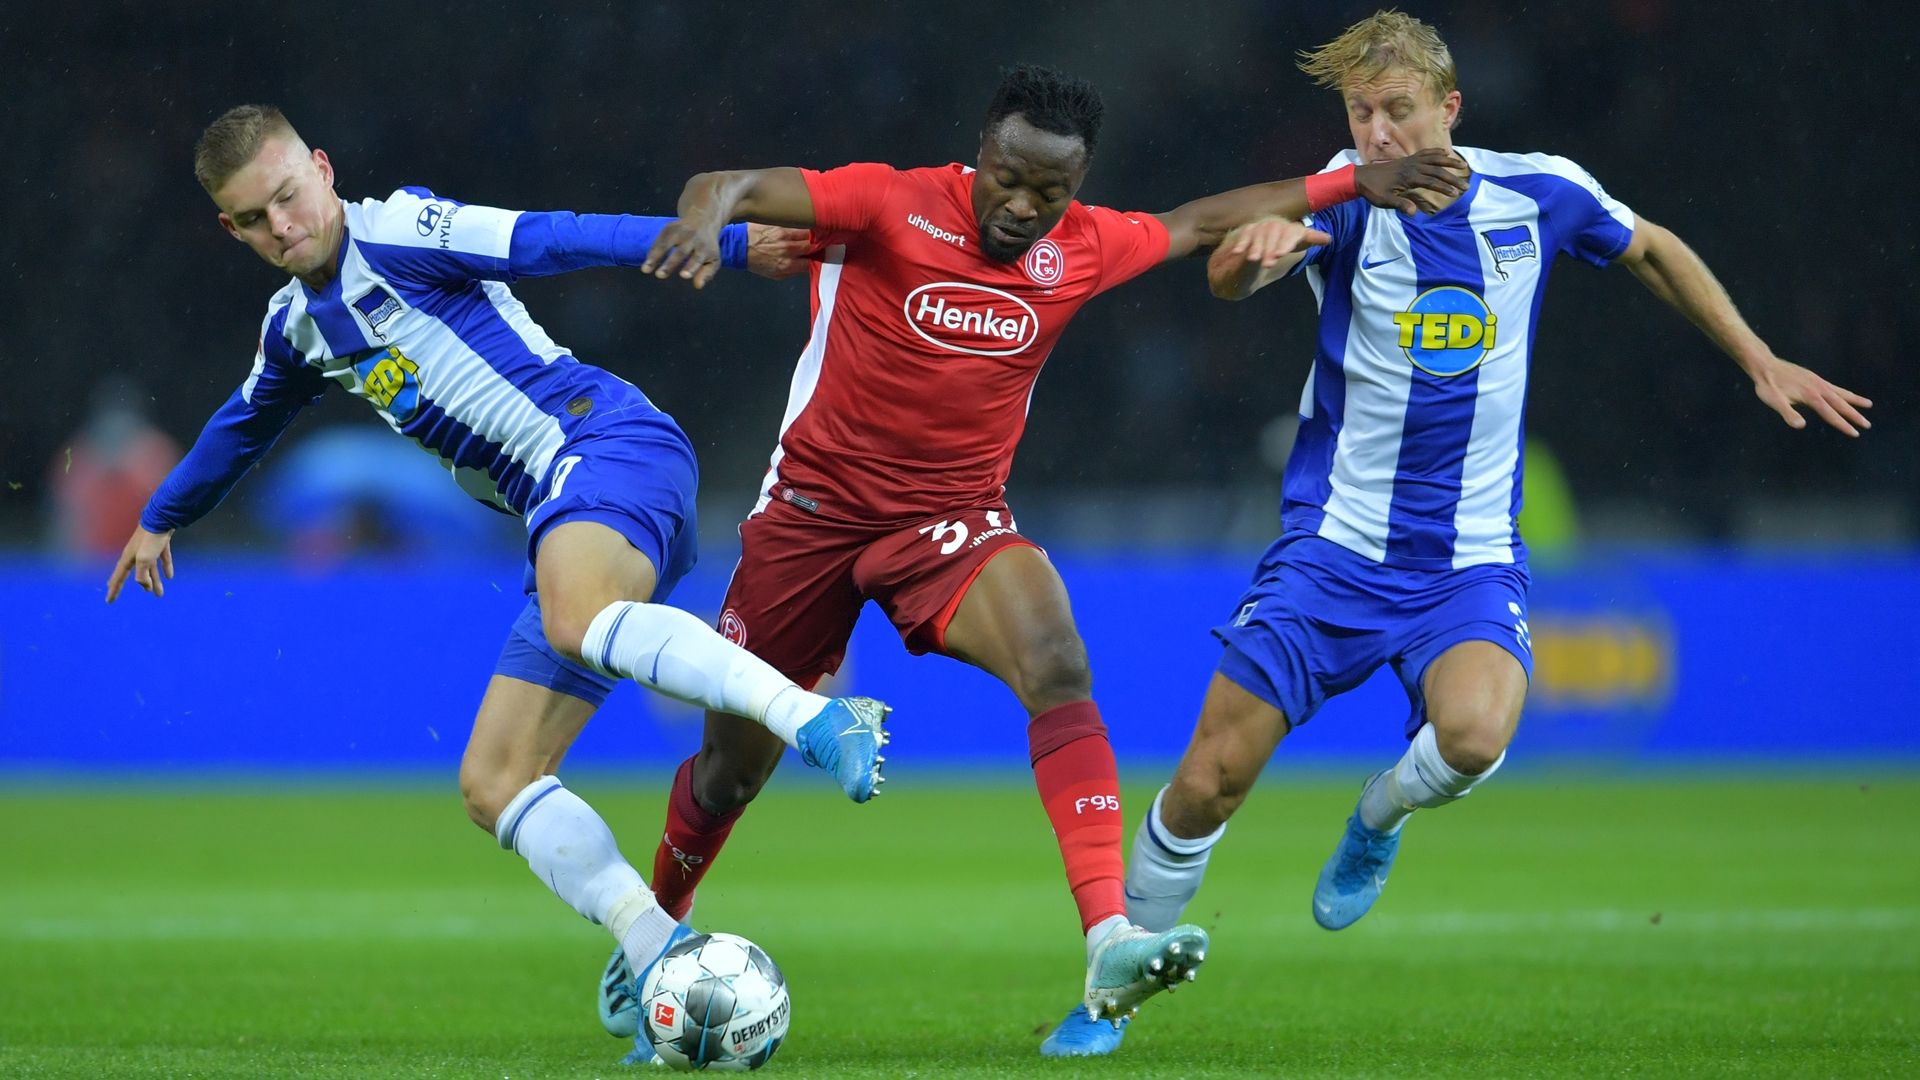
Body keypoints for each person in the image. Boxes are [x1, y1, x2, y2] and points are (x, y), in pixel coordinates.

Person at [595, 64, 1470, 1060]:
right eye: (1006, 179)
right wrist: (706, 220)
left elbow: (1196, 221)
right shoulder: (889, 202)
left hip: (950, 523)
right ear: (980, 156)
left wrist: (1355, 182)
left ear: (1077, 186)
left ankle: (1108, 939)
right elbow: (733, 182)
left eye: (1048, 193)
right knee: (727, 774)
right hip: (809, 518)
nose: (1021, 206)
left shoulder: (1084, 246)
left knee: (1055, 659)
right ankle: (654, 935)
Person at [1043, 10, 1874, 1056]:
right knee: (1207, 780)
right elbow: (1234, 269)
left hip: (1469, 563)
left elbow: (1652, 248)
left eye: (1397, 111)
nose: (1378, 133)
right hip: (1331, 554)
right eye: (1360, 113)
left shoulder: (1540, 193)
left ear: (1450, 108)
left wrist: (1758, 359)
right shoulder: (1345, 199)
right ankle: (1108, 993)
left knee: (1477, 735)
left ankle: (1376, 818)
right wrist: (1250, 259)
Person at [103, 105, 896, 1028]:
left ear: (321, 168)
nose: (283, 226)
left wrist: (714, 240)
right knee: (494, 781)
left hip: (604, 444)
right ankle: (658, 954)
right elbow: (242, 423)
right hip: (564, 515)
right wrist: (161, 517)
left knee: (572, 616)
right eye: (255, 219)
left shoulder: (402, 228)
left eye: (288, 195)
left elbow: (549, 241)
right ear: (230, 228)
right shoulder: (295, 328)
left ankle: (819, 718)